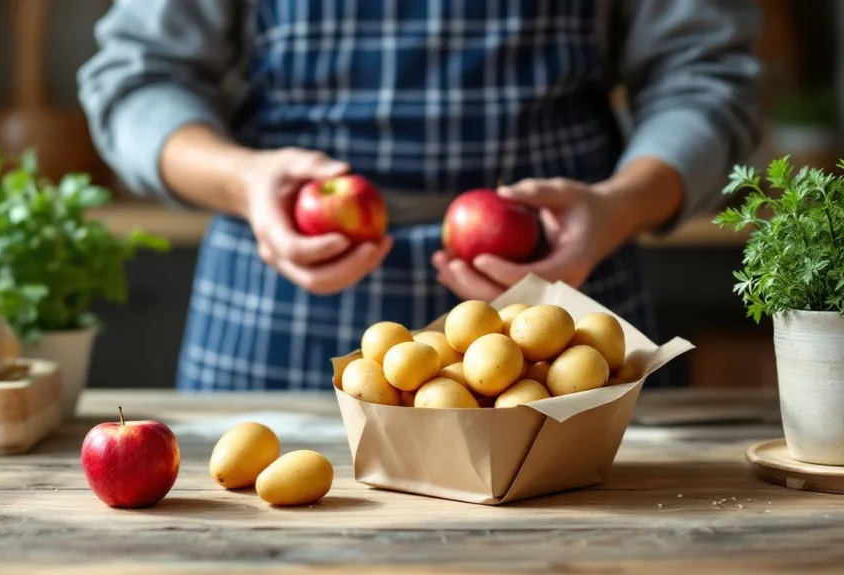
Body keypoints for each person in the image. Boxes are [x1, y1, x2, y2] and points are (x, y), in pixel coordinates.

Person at [78, 0, 763, 391]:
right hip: (276, 323)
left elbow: (704, 76)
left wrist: (617, 206)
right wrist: (241, 180)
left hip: (558, 315)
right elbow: (137, 77)